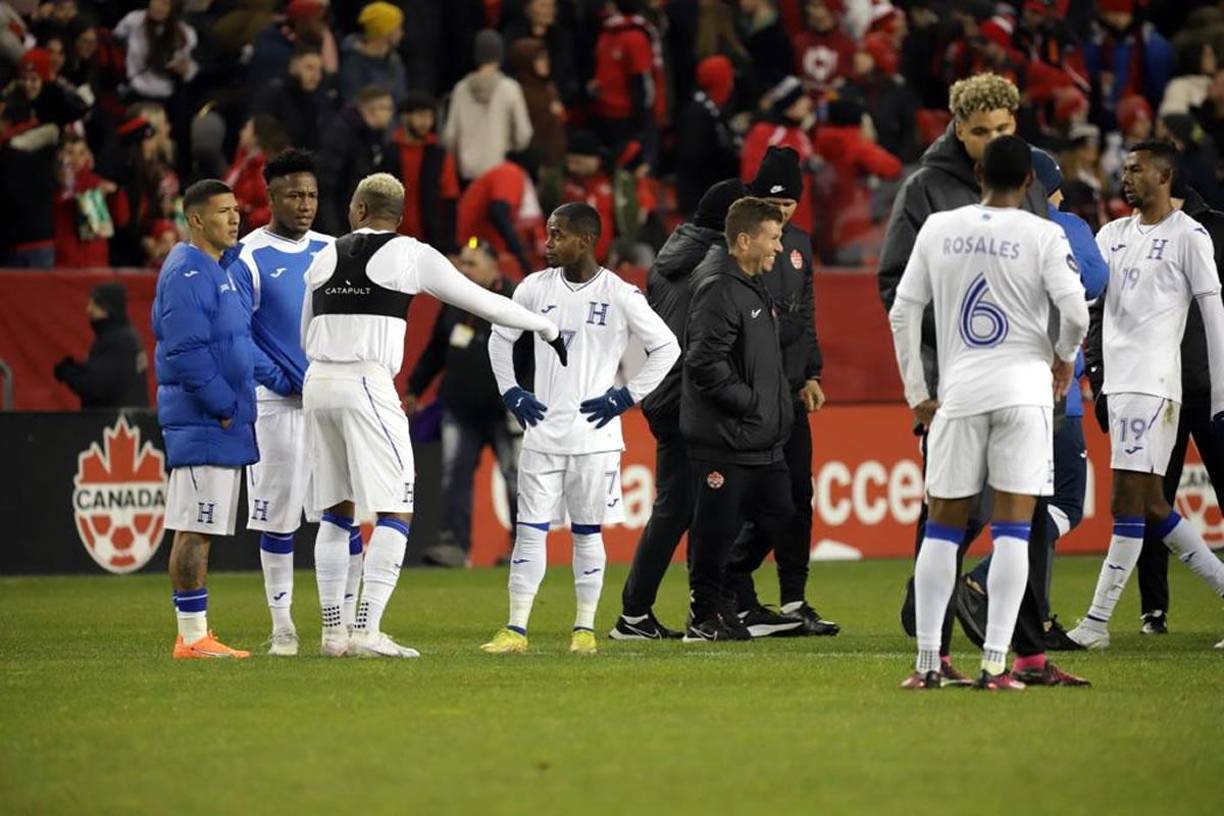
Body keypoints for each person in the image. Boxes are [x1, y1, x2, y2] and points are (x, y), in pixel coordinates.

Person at [302, 173, 567, 659]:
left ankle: (332, 633)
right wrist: (545, 325)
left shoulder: (322, 256)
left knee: (335, 510)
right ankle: (367, 630)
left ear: (357, 209)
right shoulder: (411, 253)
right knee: (396, 506)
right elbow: (483, 301)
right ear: (399, 217)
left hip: (317, 382)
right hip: (366, 380)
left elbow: (306, 330)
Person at [889, 135, 1089, 690]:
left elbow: (904, 311)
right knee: (1012, 532)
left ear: (977, 173)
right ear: (1030, 182)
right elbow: (1075, 310)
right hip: (1024, 393)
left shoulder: (939, 228)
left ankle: (929, 665)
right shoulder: (1045, 234)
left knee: (942, 531)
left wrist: (916, 390)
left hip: (958, 394)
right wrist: (1063, 359)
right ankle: (997, 665)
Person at [879, 72, 1048, 684]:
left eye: (1002, 129)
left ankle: (1028, 650)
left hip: (1012, 381)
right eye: (980, 132)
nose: (992, 139)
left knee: (1022, 522)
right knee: (953, 517)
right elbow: (896, 287)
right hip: (953, 382)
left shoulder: (1023, 181)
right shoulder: (924, 191)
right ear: (957, 130)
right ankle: (939, 647)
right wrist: (940, 366)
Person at [481, 202, 679, 656]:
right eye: (548, 234)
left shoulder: (621, 295)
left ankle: (584, 630)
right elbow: (500, 337)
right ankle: (515, 630)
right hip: (542, 435)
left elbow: (667, 347)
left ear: (585, 240)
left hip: (595, 439)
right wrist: (511, 390)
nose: (546, 243)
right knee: (529, 531)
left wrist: (625, 397)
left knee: (587, 533)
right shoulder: (533, 288)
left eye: (556, 235)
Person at [1066, 139, 1224, 651]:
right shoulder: (1110, 234)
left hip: (1154, 384)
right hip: (1121, 385)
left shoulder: (1189, 237)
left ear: (1163, 176)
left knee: (1126, 503)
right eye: (1125, 168)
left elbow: (1213, 313)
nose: (1125, 176)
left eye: (1136, 169)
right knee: (1153, 504)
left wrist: (1221, 393)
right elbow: (1089, 303)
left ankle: (1095, 622)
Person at [957, 147, 1109, 653]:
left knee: (1006, 501)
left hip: (985, 387)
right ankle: (991, 586)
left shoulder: (974, 230)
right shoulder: (1062, 226)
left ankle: (1029, 616)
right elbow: (1094, 281)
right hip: (1054, 397)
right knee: (1060, 502)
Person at [610, 178, 746, 640]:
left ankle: (639, 614)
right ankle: (668, 612)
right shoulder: (712, 266)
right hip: (692, 396)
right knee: (687, 508)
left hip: (664, 393)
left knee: (680, 506)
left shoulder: (670, 259)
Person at [723, 146, 838, 638]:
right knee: (761, 502)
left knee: (799, 496)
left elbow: (807, 312)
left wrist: (812, 372)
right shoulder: (737, 244)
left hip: (790, 391)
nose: (783, 212)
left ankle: (793, 598)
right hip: (750, 395)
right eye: (773, 203)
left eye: (790, 203)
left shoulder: (801, 247)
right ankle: (732, 583)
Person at [226, 149, 335, 657]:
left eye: (312, 194)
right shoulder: (246, 256)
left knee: (339, 512)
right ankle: (283, 626)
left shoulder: (335, 251)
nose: (306, 204)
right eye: (294, 194)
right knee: (278, 519)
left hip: (329, 405)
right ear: (269, 197)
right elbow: (236, 336)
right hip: (276, 405)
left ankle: (344, 626)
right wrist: (282, 378)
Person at [680, 197, 794, 642]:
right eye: (774, 237)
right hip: (724, 437)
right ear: (744, 240)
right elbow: (704, 363)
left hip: (759, 437)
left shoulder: (749, 284)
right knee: (715, 529)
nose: (779, 248)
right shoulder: (719, 287)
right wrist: (750, 403)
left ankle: (722, 594)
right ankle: (703, 613)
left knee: (780, 515)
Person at [151, 179, 255, 659]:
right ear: (196, 220)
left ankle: (196, 635)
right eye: (222, 212)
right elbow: (186, 349)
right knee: (194, 525)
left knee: (202, 526)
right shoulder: (188, 272)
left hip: (220, 421)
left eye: (236, 210)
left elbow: (237, 344)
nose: (235, 219)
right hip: (204, 421)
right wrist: (224, 406)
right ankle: (192, 637)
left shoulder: (221, 268)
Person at [1129, 180, 1224, 637]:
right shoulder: (1133, 235)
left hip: (1210, 391)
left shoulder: (1213, 232)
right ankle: (1154, 610)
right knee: (1152, 500)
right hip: (1159, 392)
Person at [406, 239, 527, 567]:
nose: (464, 270)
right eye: (462, 264)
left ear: (493, 266)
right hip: (459, 408)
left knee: (516, 477)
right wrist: (416, 387)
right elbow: (436, 349)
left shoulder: (517, 299)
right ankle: (454, 547)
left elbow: (534, 354)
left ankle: (522, 549)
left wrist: (527, 395)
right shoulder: (455, 301)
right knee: (454, 476)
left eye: (472, 264)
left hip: (506, 411)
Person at [441, 29, 533, 184]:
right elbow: (524, 134)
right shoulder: (509, 88)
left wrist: (458, 161)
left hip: (466, 173)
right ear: (500, 55)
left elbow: (450, 135)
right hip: (498, 170)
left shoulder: (461, 89)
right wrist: (510, 147)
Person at [315, 85, 400, 236]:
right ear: (370, 110)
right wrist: (334, 234)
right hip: (338, 225)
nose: (390, 114)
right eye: (385, 108)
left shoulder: (375, 137)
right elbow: (326, 187)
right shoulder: (341, 134)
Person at [53, 282, 148, 409]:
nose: (88, 309)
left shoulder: (118, 341)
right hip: (128, 419)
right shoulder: (124, 336)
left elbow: (96, 386)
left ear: (106, 308)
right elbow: (108, 374)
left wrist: (69, 373)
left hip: (115, 422)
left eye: (93, 304)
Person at [393, 91, 459, 254]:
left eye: (430, 117)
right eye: (420, 116)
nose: (426, 122)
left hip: (430, 241)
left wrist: (449, 246)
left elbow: (450, 198)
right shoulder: (390, 152)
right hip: (394, 238)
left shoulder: (438, 154)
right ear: (405, 117)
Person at [675, 55, 740, 216]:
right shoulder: (697, 115)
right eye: (728, 78)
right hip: (700, 201)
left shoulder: (711, 108)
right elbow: (697, 157)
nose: (732, 84)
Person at [252, 44, 332, 153]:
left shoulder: (313, 101)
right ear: (293, 66)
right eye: (309, 68)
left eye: (319, 71)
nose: (315, 76)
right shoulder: (274, 93)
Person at [339, 1, 406, 105]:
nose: (402, 32)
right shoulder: (353, 64)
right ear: (385, 31)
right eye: (398, 27)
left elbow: (400, 101)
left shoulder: (394, 61)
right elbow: (353, 103)